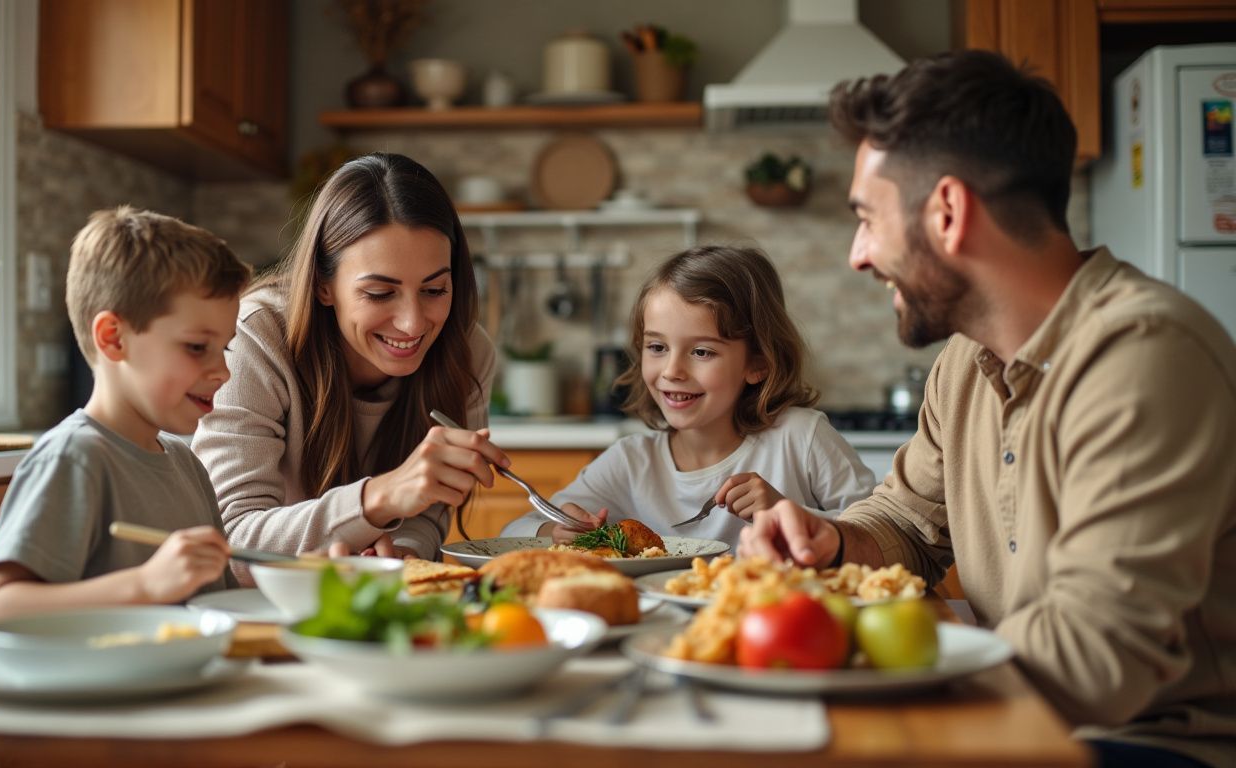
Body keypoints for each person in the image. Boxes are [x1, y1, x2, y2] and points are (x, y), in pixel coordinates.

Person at [738, 50, 1235, 768]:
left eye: (867, 219)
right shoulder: (964, 365)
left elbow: (1096, 659)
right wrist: (833, 541)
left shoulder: (1145, 356)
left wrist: (836, 652)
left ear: (947, 212)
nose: (858, 254)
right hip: (1022, 716)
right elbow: (908, 523)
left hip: (1150, 743)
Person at [193, 152, 503, 568]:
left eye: (434, 290)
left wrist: (404, 553)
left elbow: (428, 511)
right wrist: (379, 498)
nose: (413, 324)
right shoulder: (256, 335)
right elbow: (232, 545)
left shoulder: (466, 349)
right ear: (323, 286)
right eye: (379, 293)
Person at [0, 207, 252, 631]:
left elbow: (223, 606)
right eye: (197, 347)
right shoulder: (74, 458)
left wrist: (307, 580)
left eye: (225, 349)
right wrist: (145, 584)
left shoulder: (187, 464)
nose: (223, 372)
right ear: (113, 338)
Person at [502, 245, 876, 549]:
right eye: (657, 347)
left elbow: (885, 534)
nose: (672, 371)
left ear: (757, 364)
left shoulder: (801, 438)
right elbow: (513, 531)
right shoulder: (631, 462)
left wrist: (790, 512)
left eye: (701, 352)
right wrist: (556, 531)